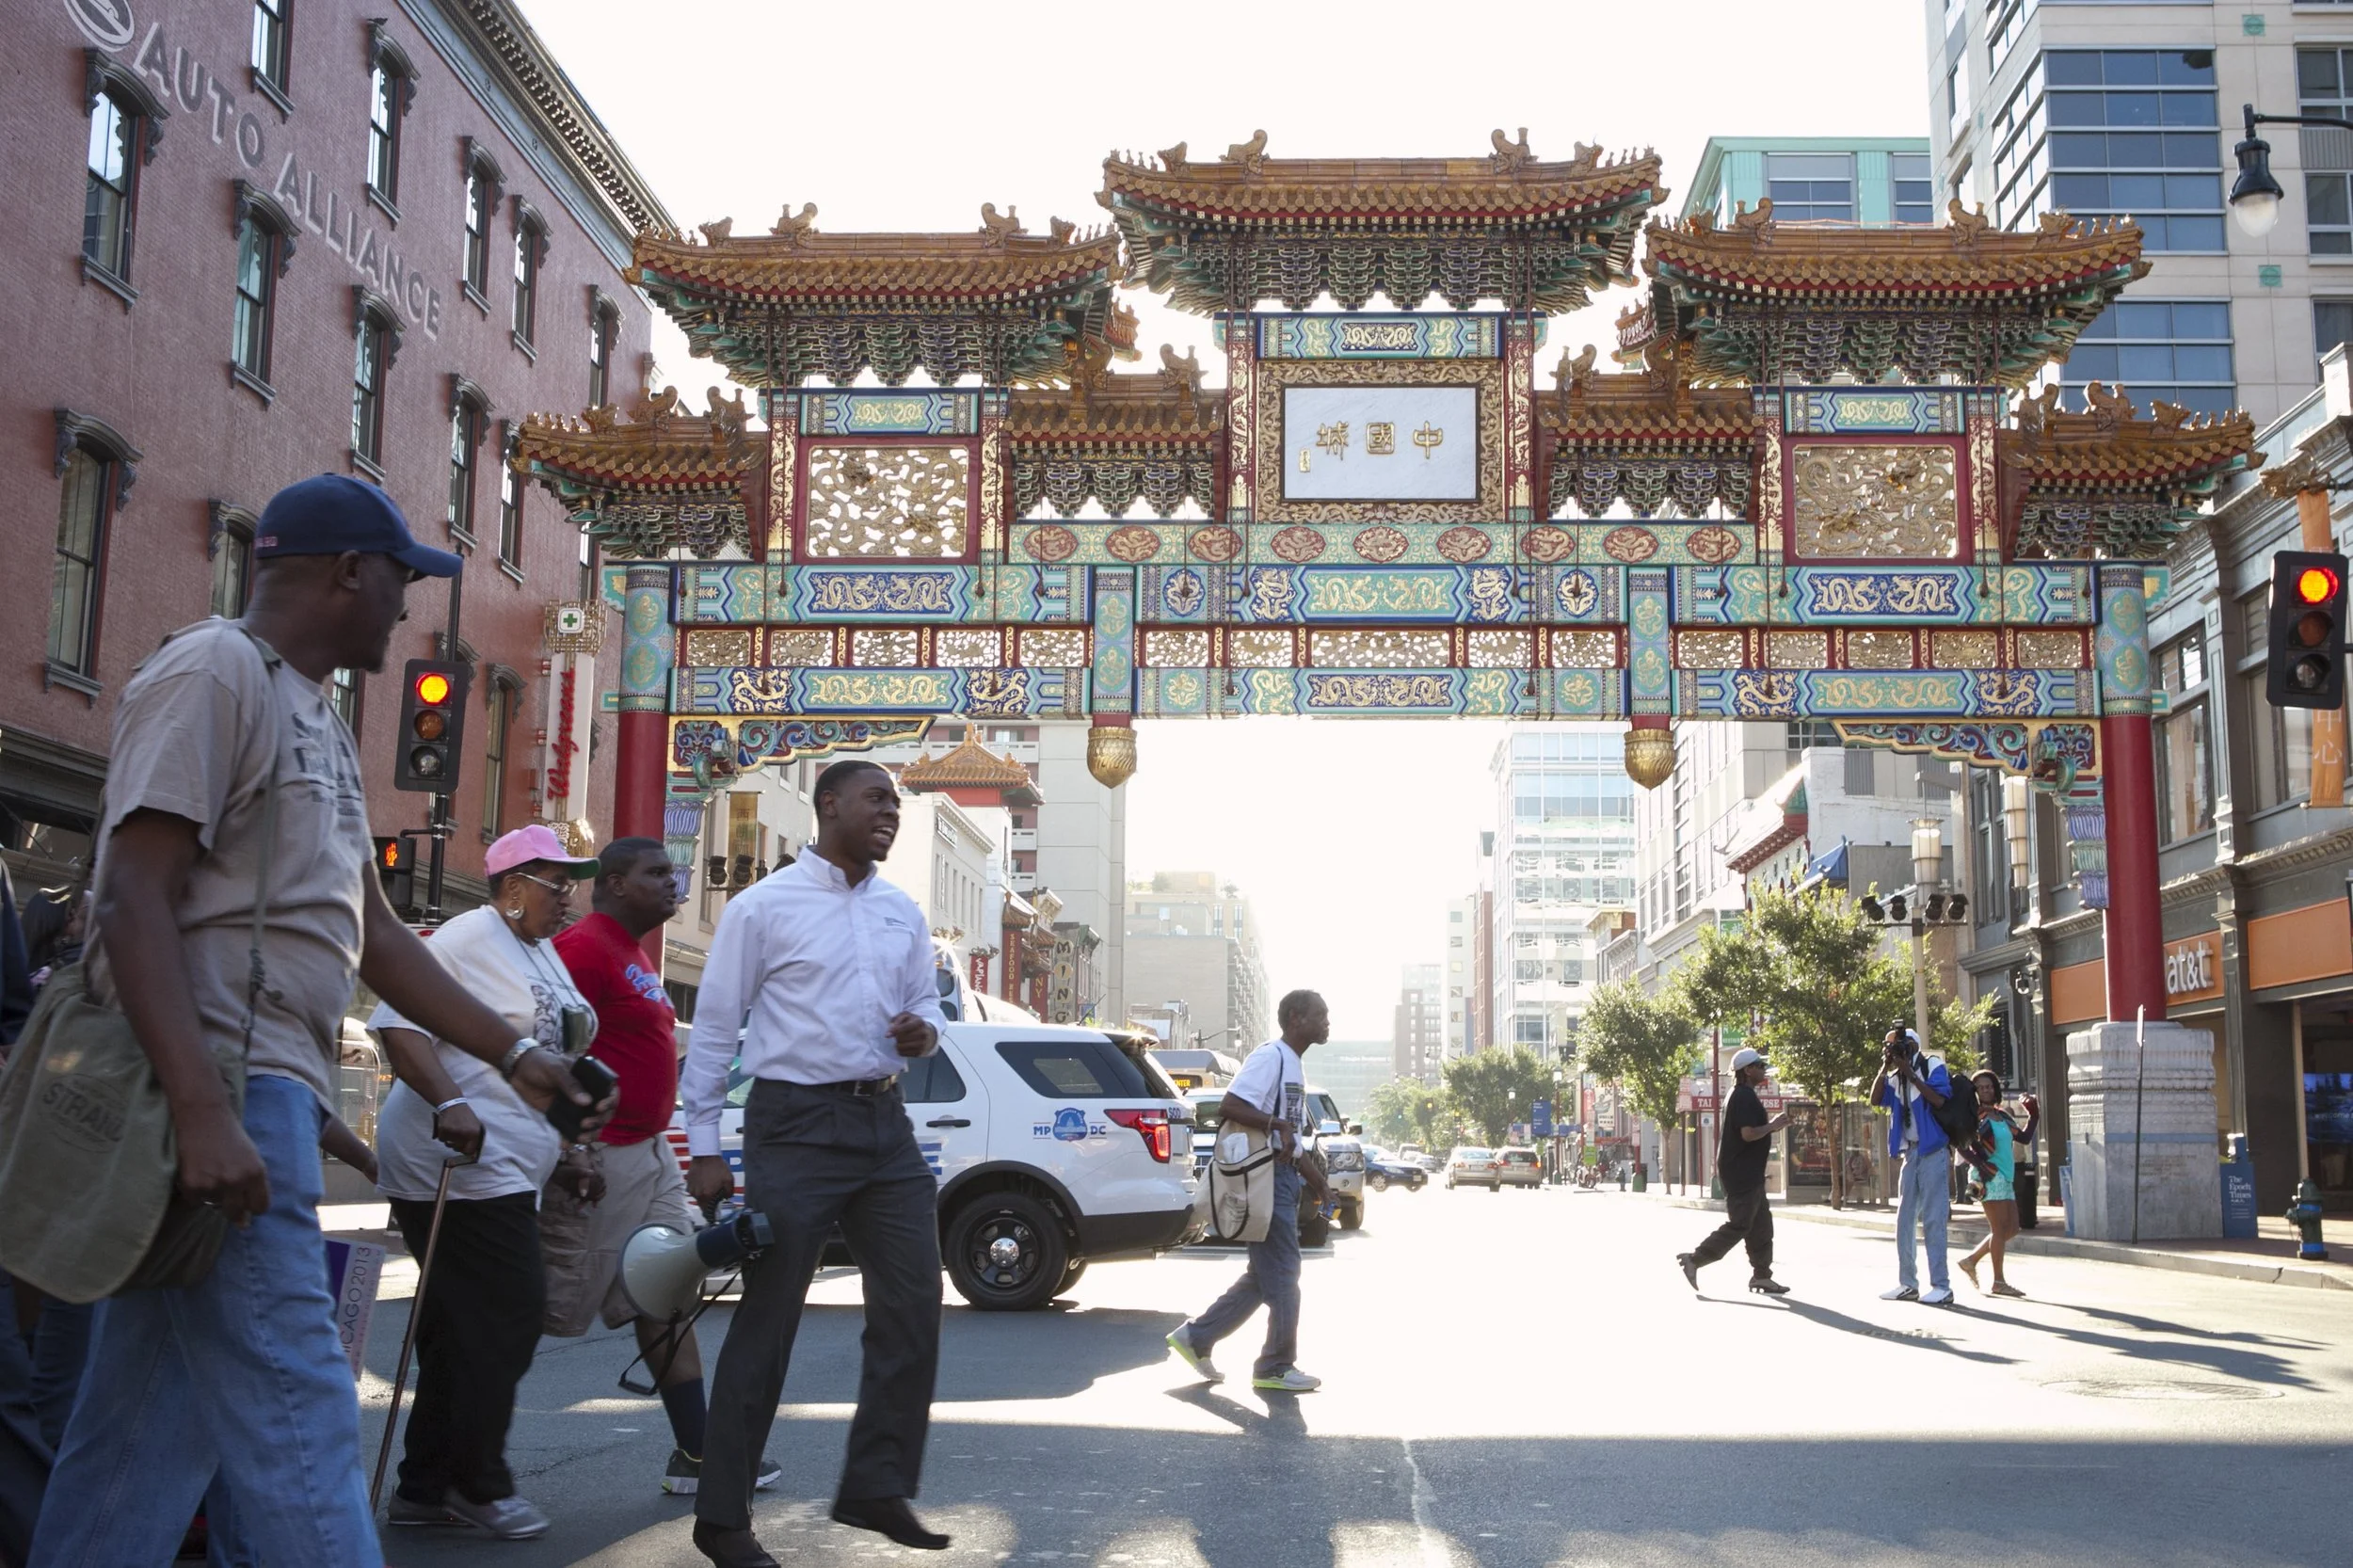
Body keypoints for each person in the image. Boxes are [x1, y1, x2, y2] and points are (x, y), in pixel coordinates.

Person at [25, 474, 605, 1568]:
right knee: (299, 1407)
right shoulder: (210, 672)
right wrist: (205, 1112)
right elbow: (130, 895)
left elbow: (378, 936)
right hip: (220, 1089)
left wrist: (520, 1057)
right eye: (399, 579)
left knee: (143, 1429)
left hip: (255, 1091)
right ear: (348, 571)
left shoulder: (319, 718)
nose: (405, 606)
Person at [682, 760, 952, 1568]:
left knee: (914, 1300)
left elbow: (929, 1007)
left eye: (898, 805)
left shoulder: (903, 911)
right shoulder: (763, 908)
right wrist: (703, 1146)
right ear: (827, 805)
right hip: (794, 1123)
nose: (891, 815)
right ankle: (721, 1520)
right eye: (877, 799)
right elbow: (715, 1026)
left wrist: (924, 1033)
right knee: (769, 1321)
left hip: (885, 1126)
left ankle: (875, 1484)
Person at [371, 823, 605, 1542]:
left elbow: (547, 1058)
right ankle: (479, 1480)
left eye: (573, 883)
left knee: (457, 1327)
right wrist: (451, 1101)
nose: (569, 897)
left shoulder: (540, 953)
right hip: (457, 1160)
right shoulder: (470, 936)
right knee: (507, 1311)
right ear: (511, 888)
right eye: (555, 883)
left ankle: (426, 1485)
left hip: (518, 1159)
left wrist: (569, 1149)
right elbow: (398, 1025)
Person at [543, 837, 782, 1496]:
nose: (673, 885)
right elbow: (547, 1051)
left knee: (667, 1293)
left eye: (672, 873)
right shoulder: (582, 950)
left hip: (647, 1151)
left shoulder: (634, 954)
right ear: (615, 883)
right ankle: (458, 1463)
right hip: (599, 1157)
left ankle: (699, 1454)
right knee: (542, 1308)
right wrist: (571, 1149)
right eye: (657, 874)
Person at [1164, 989, 1332, 1394]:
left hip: (1283, 1178)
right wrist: (1275, 1125)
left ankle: (1197, 1337)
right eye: (1320, 1015)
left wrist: (1321, 1184)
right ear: (1295, 1019)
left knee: (1263, 1277)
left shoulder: (1291, 1064)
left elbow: (1290, 1140)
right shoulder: (1270, 1057)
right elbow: (1231, 1104)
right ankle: (1275, 1365)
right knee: (1285, 1274)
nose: (1328, 1022)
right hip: (1266, 1180)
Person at [1675, 1047, 1792, 1296]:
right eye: (1759, 1065)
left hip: (1748, 1172)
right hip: (1741, 1173)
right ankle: (1695, 1259)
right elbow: (1748, 1134)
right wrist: (1772, 1126)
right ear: (1747, 1070)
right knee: (1740, 1224)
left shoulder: (1743, 1094)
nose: (1763, 1069)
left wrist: (1770, 1127)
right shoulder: (1742, 1096)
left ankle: (1762, 1276)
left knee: (1761, 1225)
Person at [1869, 1026, 1956, 1305]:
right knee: (1904, 1221)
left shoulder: (1932, 1065)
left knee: (1933, 1219)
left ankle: (1942, 1286)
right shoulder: (1895, 1077)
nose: (1894, 1052)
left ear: (1912, 1046)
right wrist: (1886, 1066)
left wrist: (1911, 1073)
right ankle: (1908, 1283)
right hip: (1911, 1154)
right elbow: (1875, 1099)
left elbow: (1939, 1099)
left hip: (1933, 1152)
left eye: (1897, 1047)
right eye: (1890, 1048)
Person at [1957, 1072, 2041, 1299]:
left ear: (1995, 1089)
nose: (1985, 1090)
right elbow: (1962, 1146)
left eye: (1989, 1086)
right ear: (1974, 1092)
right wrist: (1981, 1165)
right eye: (1980, 1087)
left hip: (2006, 1175)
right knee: (1999, 1229)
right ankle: (1999, 1281)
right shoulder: (1973, 1116)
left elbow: (2023, 1138)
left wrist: (2034, 1114)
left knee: (2012, 1228)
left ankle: (1971, 1260)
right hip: (1988, 1177)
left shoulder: (2001, 1116)